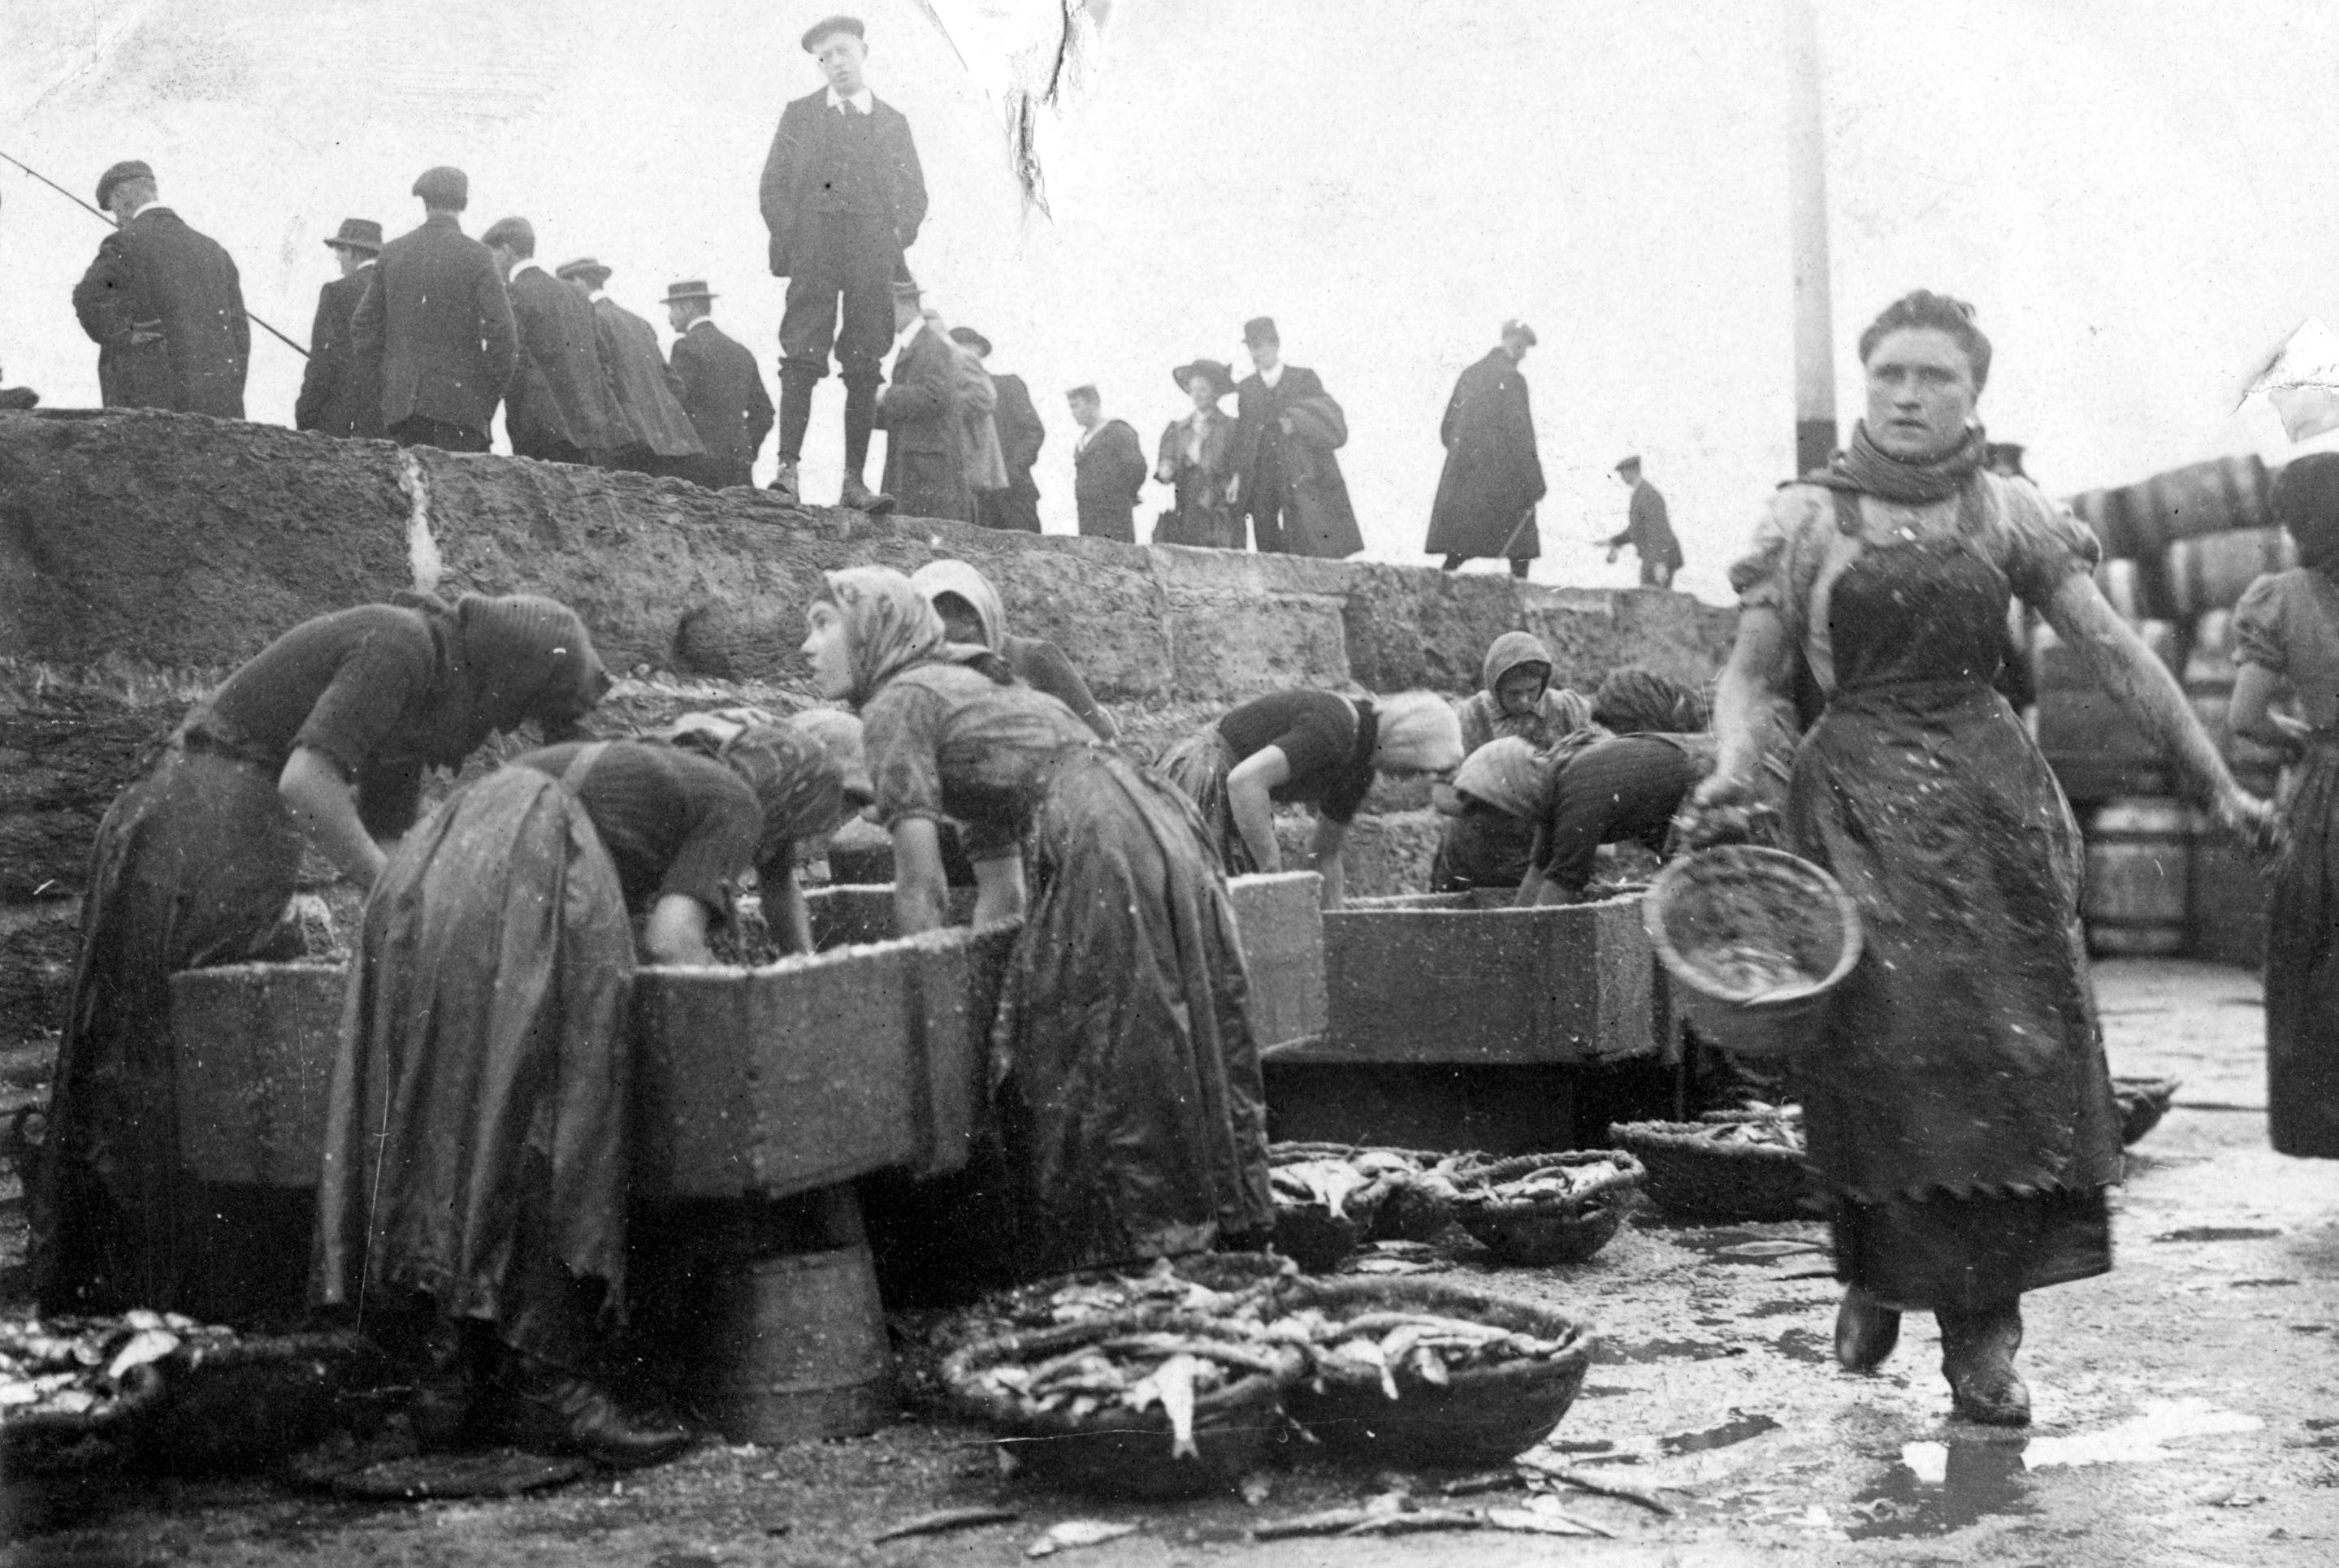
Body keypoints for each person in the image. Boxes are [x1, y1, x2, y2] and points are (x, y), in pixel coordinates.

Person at [1681, 289, 2267, 1426]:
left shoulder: (2007, 511)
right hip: (1854, 803)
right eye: (1889, 374)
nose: (1907, 396)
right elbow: (1749, 677)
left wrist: (2214, 784)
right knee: (1880, 1053)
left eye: (1933, 376)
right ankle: (1873, 1268)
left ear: (1972, 392)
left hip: (1992, 808)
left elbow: (2116, 654)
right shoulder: (1806, 517)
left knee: (2007, 1062)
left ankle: (1982, 1338)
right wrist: (1729, 764)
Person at [31, 593, 610, 1320]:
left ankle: (188, 1299)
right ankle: (130, 1298)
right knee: (158, 1058)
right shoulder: (400, 647)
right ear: (500, 671)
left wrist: (435, 920)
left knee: (205, 1065)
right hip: (196, 817)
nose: (494, 728)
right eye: (508, 709)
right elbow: (306, 783)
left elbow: (389, 839)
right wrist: (395, 895)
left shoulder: (427, 692)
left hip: (242, 832)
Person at [312, 713, 866, 1466]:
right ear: (793, 795)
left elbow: (773, 886)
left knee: (448, 1121)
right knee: (560, 1128)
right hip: (530, 863)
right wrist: (744, 1015)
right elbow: (674, 942)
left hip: (439, 858)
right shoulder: (734, 802)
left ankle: (445, 1388)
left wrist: (803, 965)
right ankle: (554, 1389)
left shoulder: (667, 776)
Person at [800, 567, 1271, 1284]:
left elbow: (922, 886)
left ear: (876, 628)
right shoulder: (970, 693)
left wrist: (924, 1022)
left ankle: (1136, 1252)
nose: (806, 647)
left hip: (1101, 830)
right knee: (1155, 1027)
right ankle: (1201, 1230)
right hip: (1151, 816)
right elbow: (1003, 893)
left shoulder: (899, 703)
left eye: (822, 623)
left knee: (1104, 1040)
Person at [760, 14, 927, 513]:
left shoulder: (892, 122)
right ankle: (787, 471)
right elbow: (772, 186)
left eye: (843, 52)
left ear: (863, 53)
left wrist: (892, 239)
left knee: (864, 362)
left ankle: (854, 482)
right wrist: (796, 238)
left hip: (871, 253)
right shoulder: (800, 115)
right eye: (825, 56)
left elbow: (915, 195)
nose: (836, 63)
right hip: (814, 248)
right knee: (801, 353)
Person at [2229, 453, 2339, 1160]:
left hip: (2324, 799)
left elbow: (2244, 719)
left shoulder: (2280, 599)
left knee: (2317, 967)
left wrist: (2299, 736)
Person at [1159, 687, 1462, 909]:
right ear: (1406, 741)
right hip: (1206, 773)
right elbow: (1245, 782)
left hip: (1228, 784)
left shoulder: (1360, 768)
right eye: (1416, 768)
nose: (1407, 778)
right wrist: (1271, 872)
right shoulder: (1334, 729)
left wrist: (1335, 924)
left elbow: (1324, 853)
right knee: (1212, 902)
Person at [1506, 671, 1710, 906]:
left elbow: (1563, 882)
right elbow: (1538, 870)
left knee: (1694, 881)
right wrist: (1512, 925)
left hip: (1703, 771)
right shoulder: (1558, 781)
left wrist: (1527, 932)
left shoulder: (1576, 791)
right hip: (1682, 769)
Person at [353, 167, 518, 454]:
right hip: (461, 413)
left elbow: (364, 325)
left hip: (401, 412)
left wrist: (388, 385)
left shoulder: (392, 252)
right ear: (464, 203)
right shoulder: (478, 256)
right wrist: (485, 398)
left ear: (424, 202)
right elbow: (504, 335)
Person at [71, 160, 249, 419]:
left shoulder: (124, 243)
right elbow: (239, 335)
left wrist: (122, 335)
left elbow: (88, 299)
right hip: (217, 408)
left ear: (122, 194)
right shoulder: (215, 251)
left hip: (150, 410)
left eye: (114, 209)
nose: (118, 219)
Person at [1428, 632, 1597, 892]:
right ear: (1494, 686)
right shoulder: (1469, 717)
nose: (1524, 700)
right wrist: (1490, 804)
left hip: (1547, 850)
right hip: (1479, 854)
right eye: (1514, 693)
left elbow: (1592, 772)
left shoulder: (1566, 710)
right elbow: (1442, 796)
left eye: (1532, 690)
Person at [911, 558, 1118, 742]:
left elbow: (1098, 735)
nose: (928, 629)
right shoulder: (925, 669)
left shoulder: (1035, 658)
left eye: (939, 614)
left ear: (971, 613)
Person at [483, 219, 620, 466]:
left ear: (505, 250)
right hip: (593, 432)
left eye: (492, 255)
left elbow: (512, 359)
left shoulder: (513, 292)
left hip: (542, 431)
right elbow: (604, 360)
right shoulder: (578, 295)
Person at [556, 258, 705, 477]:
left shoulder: (588, 319)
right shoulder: (639, 322)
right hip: (668, 442)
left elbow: (598, 384)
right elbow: (674, 384)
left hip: (624, 442)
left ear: (578, 282)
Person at [1230, 317, 1363, 558]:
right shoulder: (1247, 387)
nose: (1255, 354)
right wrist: (1238, 474)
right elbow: (1243, 434)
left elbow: (1325, 414)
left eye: (1260, 346)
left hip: (1301, 467)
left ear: (1275, 345)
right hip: (1263, 470)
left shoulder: (1303, 378)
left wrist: (1297, 423)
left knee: (1307, 527)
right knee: (1264, 527)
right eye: (1251, 348)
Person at [1427, 320, 1544, 578]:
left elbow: (1447, 430)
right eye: (1524, 347)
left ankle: (1441, 583)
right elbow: (1522, 436)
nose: (1524, 354)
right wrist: (1535, 480)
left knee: (1461, 546)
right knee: (1520, 544)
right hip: (1505, 479)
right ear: (1514, 342)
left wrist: (1468, 455)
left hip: (1466, 478)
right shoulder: (1513, 379)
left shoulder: (1470, 374)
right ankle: (1521, 594)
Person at [663, 279, 772, 490]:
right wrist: (746, 450)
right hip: (739, 467)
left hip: (698, 467)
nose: (669, 318)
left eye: (672, 309)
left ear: (687, 307)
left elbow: (674, 404)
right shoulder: (741, 351)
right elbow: (765, 413)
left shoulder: (685, 347)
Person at [871, 281, 965, 521]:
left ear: (908, 304)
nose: (882, 316)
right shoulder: (916, 344)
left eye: (887, 308)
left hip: (926, 466)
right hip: (916, 463)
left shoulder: (931, 345)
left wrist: (886, 395)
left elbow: (935, 398)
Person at [294, 219, 385, 440]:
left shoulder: (336, 292)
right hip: (387, 425)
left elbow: (321, 365)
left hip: (341, 425)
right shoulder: (396, 292)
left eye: (340, 250)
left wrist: (305, 413)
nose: (337, 257)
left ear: (353, 252)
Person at [1153, 359, 1240, 548]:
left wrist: (1236, 478)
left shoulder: (1231, 427)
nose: (1197, 395)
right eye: (1193, 389)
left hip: (1219, 507)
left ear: (1215, 392)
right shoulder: (1178, 429)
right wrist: (1166, 467)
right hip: (1186, 505)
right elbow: (1166, 467)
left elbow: (1241, 464)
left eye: (1203, 389)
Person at [965, 331, 1044, 531]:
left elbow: (1033, 431)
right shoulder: (955, 399)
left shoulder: (1008, 385)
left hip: (1013, 497)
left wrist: (1010, 471)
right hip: (975, 504)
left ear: (979, 352)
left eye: (966, 352)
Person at [1067, 384, 1146, 542]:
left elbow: (1137, 468)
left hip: (1115, 516)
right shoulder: (1081, 442)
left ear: (1093, 403)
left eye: (1076, 406)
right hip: (1087, 516)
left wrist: (1121, 497)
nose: (1073, 412)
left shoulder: (1118, 431)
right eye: (1071, 407)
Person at [1606, 457, 1683, 589]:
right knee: (1648, 595)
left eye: (1623, 473)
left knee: (1654, 597)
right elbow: (1636, 529)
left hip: (1659, 556)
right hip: (1652, 556)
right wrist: (1613, 541)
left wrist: (1660, 562)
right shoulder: (1640, 493)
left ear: (1632, 471)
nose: (1622, 477)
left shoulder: (1648, 495)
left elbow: (1659, 528)